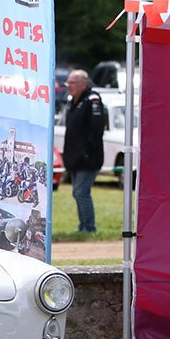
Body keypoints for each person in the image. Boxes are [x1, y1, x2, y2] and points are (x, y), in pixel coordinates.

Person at [62, 69, 105, 233]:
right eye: (68, 83)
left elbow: (97, 129)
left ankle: (89, 227)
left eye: (73, 83)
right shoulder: (72, 101)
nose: (69, 86)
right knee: (78, 193)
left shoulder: (92, 99)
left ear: (84, 84)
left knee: (81, 192)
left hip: (89, 158)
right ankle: (83, 226)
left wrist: (87, 150)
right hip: (74, 158)